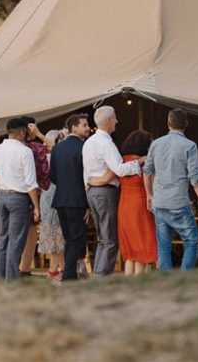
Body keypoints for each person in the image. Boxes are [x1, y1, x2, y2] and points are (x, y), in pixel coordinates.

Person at [144, 108, 198, 271]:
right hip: (179, 202)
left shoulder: (156, 144)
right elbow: (195, 177)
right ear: (186, 125)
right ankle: (184, 277)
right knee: (191, 243)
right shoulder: (190, 146)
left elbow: (147, 171)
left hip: (160, 202)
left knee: (163, 248)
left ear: (168, 123)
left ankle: (167, 282)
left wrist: (149, 195)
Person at [83, 105, 143, 276]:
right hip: (105, 192)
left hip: (92, 192)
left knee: (102, 238)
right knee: (110, 240)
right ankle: (101, 279)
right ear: (109, 120)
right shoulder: (106, 143)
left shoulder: (88, 143)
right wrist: (140, 161)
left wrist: (89, 185)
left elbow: (86, 172)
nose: (117, 121)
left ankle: (98, 274)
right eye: (115, 117)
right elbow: (120, 170)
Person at [89, 129, 157, 275]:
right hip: (140, 206)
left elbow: (107, 177)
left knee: (130, 249)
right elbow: (152, 184)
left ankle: (128, 281)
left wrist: (91, 182)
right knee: (141, 245)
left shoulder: (121, 160)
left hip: (124, 205)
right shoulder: (145, 162)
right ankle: (137, 284)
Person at [0, 118, 40, 281]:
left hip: (1, 195)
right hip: (18, 197)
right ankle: (11, 281)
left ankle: (0, 279)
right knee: (16, 241)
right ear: (22, 132)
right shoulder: (24, 151)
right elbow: (30, 182)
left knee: (3, 239)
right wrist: (36, 206)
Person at [50, 113, 92, 281]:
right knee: (76, 238)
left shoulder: (57, 148)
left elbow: (52, 176)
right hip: (78, 199)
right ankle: (68, 275)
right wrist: (87, 203)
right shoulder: (84, 147)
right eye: (85, 125)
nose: (88, 128)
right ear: (73, 127)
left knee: (69, 238)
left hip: (60, 199)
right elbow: (87, 175)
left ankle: (71, 274)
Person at [18, 116, 51, 276]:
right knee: (31, 232)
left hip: (12, 192)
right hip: (34, 193)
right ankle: (24, 268)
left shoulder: (13, 147)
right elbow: (54, 149)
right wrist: (40, 134)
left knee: (14, 232)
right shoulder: (36, 148)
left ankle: (13, 266)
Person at [37, 130, 66, 279]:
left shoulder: (43, 157)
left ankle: (57, 268)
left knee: (54, 231)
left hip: (46, 195)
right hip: (54, 194)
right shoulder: (51, 157)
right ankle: (58, 269)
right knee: (56, 231)